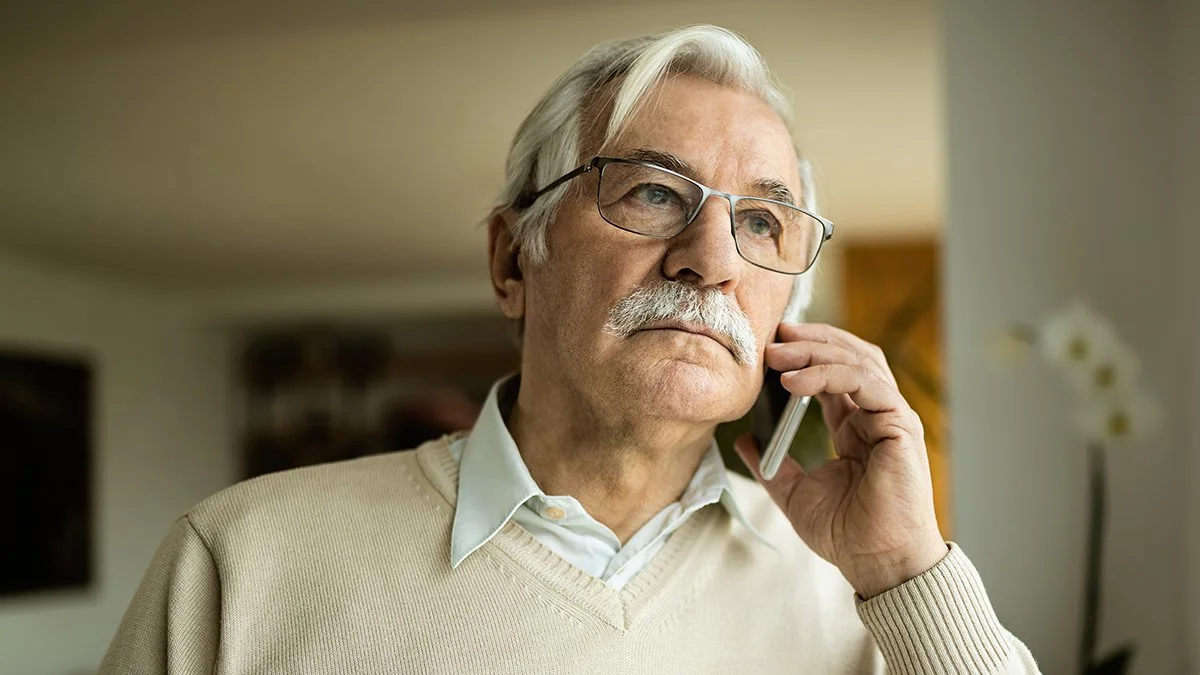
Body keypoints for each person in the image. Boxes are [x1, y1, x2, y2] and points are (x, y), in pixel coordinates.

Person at [100, 24, 1040, 674]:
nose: (712, 261)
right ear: (515, 259)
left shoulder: (867, 597)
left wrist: (908, 570)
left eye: (762, 220)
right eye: (654, 193)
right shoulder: (239, 561)